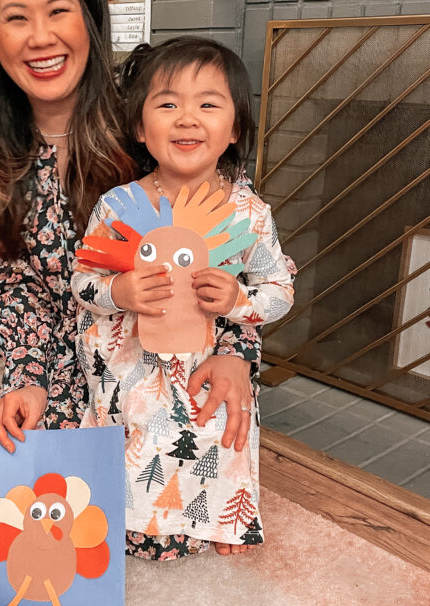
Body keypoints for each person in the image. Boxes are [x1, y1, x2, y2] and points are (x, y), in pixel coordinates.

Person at [0, 0, 264, 556]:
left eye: (58, 11)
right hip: (65, 368)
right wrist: (29, 377)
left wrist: (235, 349)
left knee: (162, 527)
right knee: (38, 522)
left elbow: (231, 245)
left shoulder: (157, 122)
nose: (40, 37)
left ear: (91, 20)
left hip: (166, 359)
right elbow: (6, 288)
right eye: (16, 18)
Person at [72, 37, 296, 557]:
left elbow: (279, 291)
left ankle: (218, 519)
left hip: (206, 356)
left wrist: (239, 299)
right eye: (168, 104)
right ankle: (134, 520)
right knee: (135, 432)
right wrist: (117, 289)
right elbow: (81, 282)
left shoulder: (249, 214)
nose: (187, 119)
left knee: (215, 432)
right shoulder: (119, 205)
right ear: (140, 127)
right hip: (130, 356)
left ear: (234, 128)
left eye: (209, 104)